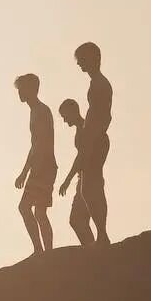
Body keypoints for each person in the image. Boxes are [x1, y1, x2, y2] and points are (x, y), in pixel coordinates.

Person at [13, 73, 57, 256]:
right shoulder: (35, 111)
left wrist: (26, 172)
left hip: (44, 166)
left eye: (22, 89)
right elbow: (35, 145)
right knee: (38, 211)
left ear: (31, 89)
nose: (19, 93)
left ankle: (43, 251)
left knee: (29, 208)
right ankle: (42, 251)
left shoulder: (41, 111)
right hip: (42, 166)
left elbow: (40, 144)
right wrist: (25, 172)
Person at [74, 41, 113, 245]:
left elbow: (104, 116)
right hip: (94, 139)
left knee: (91, 187)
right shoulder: (96, 83)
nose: (79, 64)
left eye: (82, 60)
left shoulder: (100, 83)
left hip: (96, 140)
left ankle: (102, 234)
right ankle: (101, 234)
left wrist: (92, 138)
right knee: (90, 188)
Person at [57, 98, 96, 246]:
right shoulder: (80, 129)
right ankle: (91, 248)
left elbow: (81, 157)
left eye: (65, 116)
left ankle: (92, 249)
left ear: (73, 111)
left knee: (77, 219)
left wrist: (67, 180)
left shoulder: (85, 129)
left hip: (88, 180)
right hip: (83, 178)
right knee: (79, 220)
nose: (65, 121)